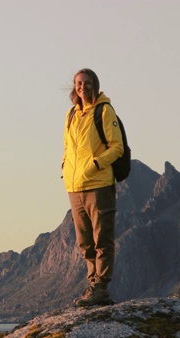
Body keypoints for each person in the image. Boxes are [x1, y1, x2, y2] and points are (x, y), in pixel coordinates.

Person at [61, 68, 124, 306]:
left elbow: (116, 147)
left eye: (87, 83)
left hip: (99, 185)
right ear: (74, 87)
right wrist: (65, 166)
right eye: (78, 83)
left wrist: (96, 164)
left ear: (95, 85)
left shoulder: (105, 111)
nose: (82, 87)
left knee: (102, 239)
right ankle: (93, 284)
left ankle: (101, 287)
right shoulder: (70, 115)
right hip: (75, 187)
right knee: (84, 241)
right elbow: (68, 147)